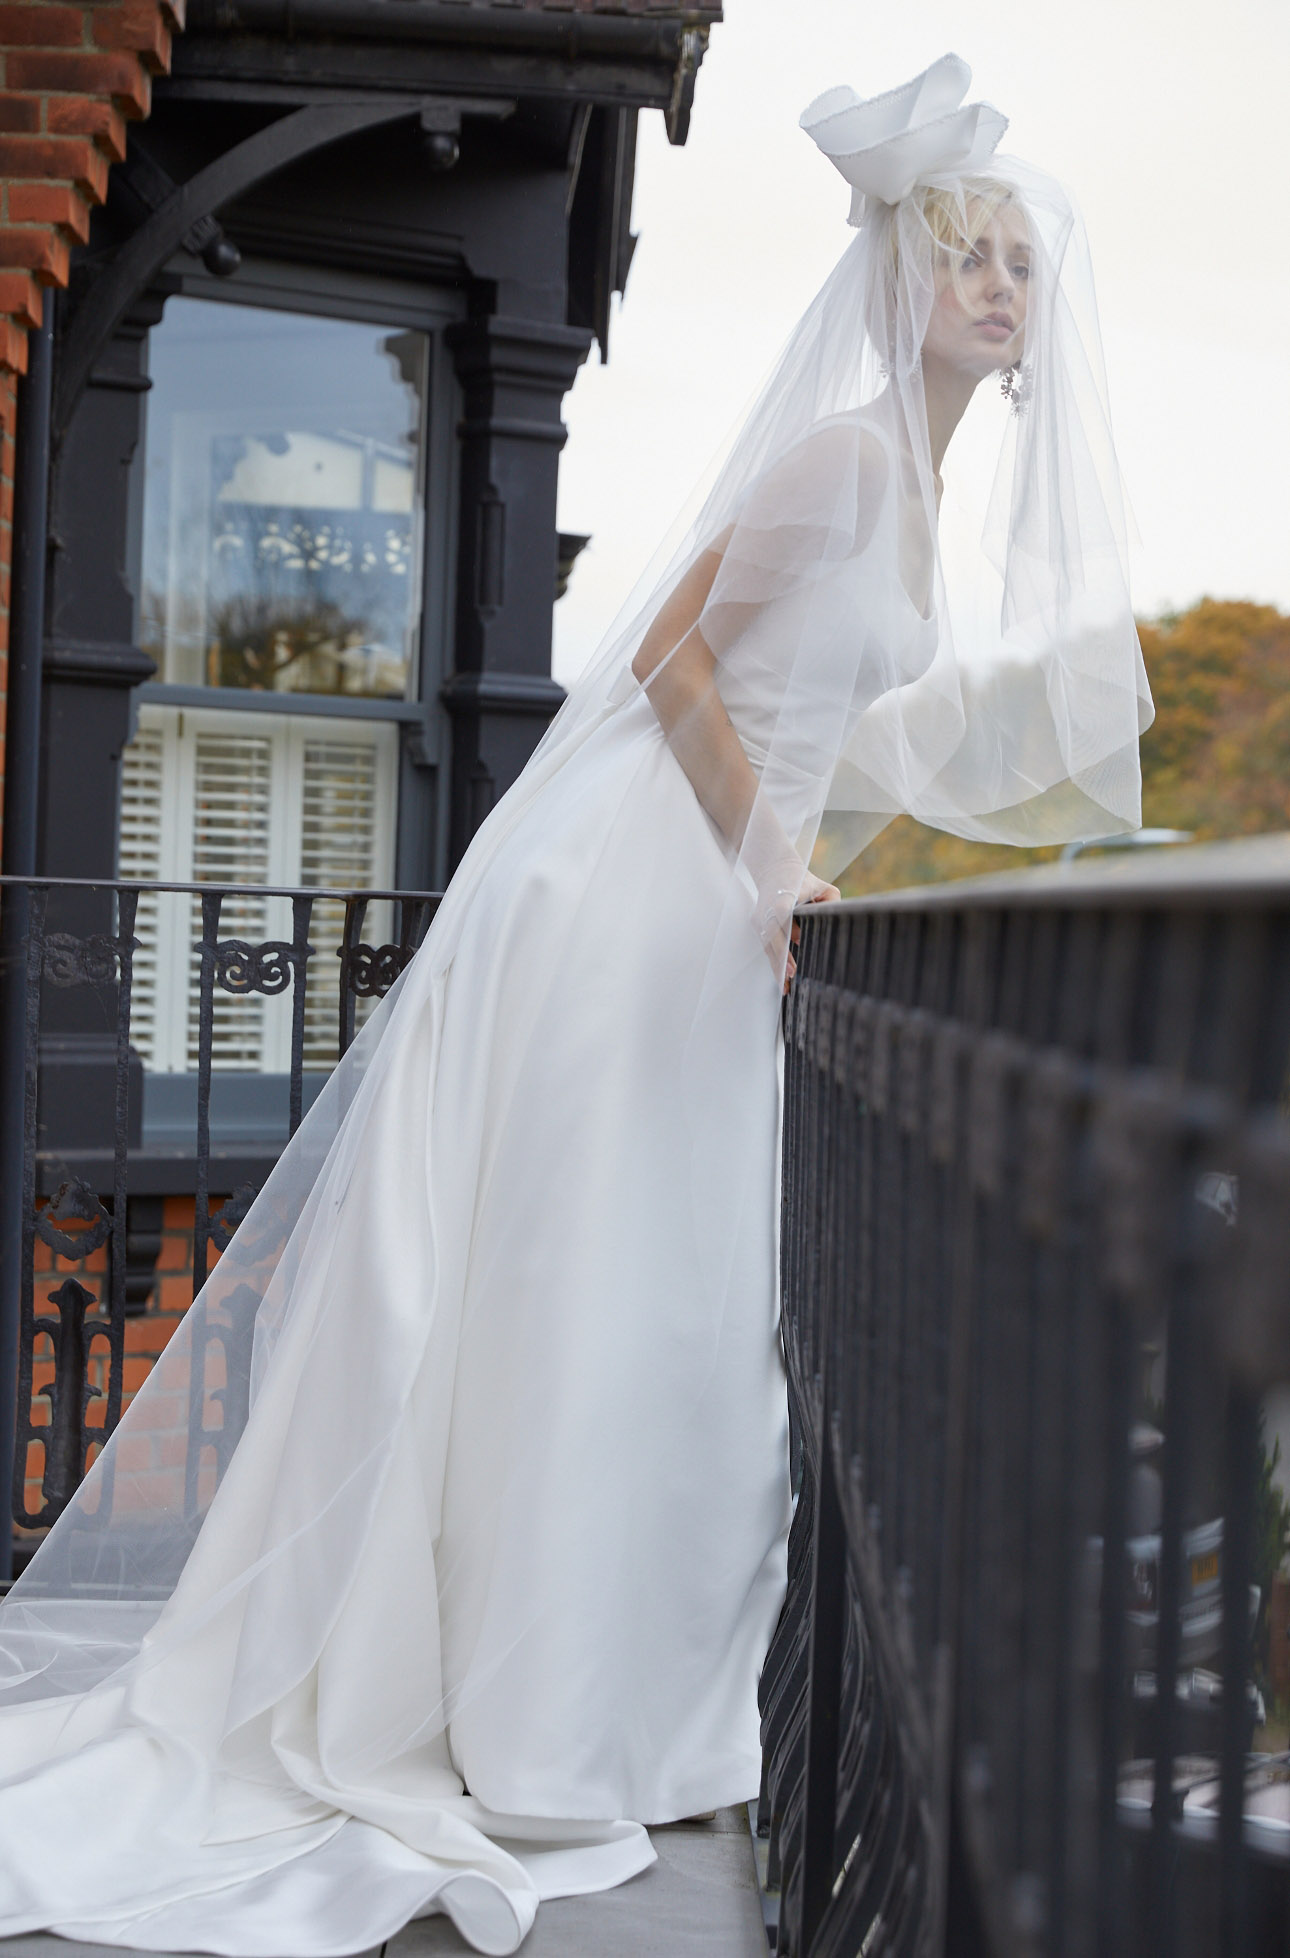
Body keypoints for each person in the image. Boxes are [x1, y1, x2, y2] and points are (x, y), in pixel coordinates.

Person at [0, 55, 1150, 1958]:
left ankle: (633, 1711)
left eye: (1019, 267)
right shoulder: (851, 452)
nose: (1003, 294)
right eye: (971, 262)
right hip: (637, 889)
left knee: (684, 1298)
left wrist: (800, 852)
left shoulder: (919, 497)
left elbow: (808, 711)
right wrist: (764, 863)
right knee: (603, 1282)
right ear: (900, 276)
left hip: (715, 896)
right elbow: (684, 662)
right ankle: (539, 1727)